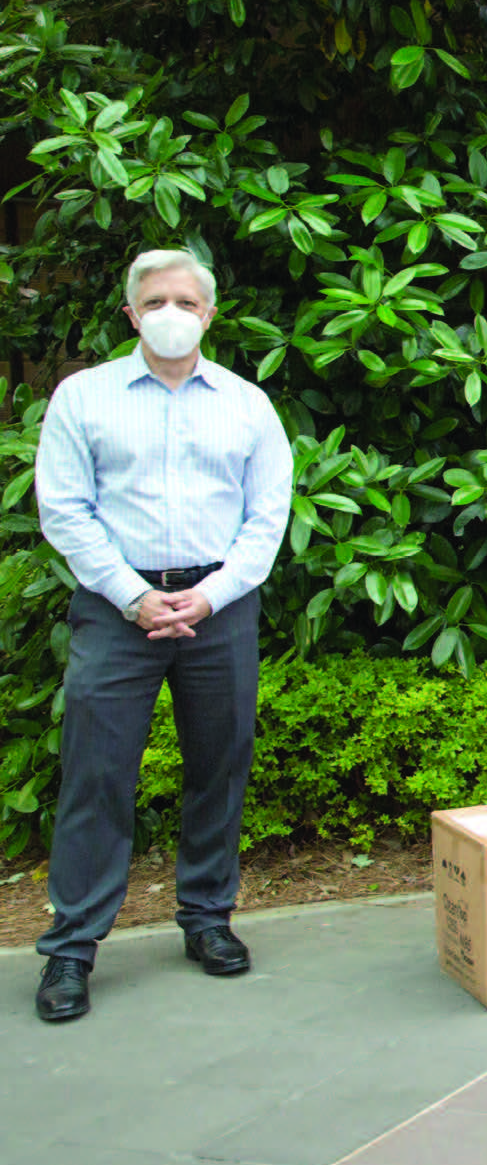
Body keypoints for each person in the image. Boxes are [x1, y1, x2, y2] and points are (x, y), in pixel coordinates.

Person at [31, 249, 295, 1023]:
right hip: (117, 612)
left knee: (219, 764)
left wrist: (207, 597)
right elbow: (65, 509)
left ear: (210, 314)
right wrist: (135, 595)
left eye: (185, 298)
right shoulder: (84, 397)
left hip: (220, 609)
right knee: (96, 774)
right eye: (155, 300)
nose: (170, 310)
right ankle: (72, 948)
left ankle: (208, 917)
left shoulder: (248, 404)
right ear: (130, 313)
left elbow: (266, 516)